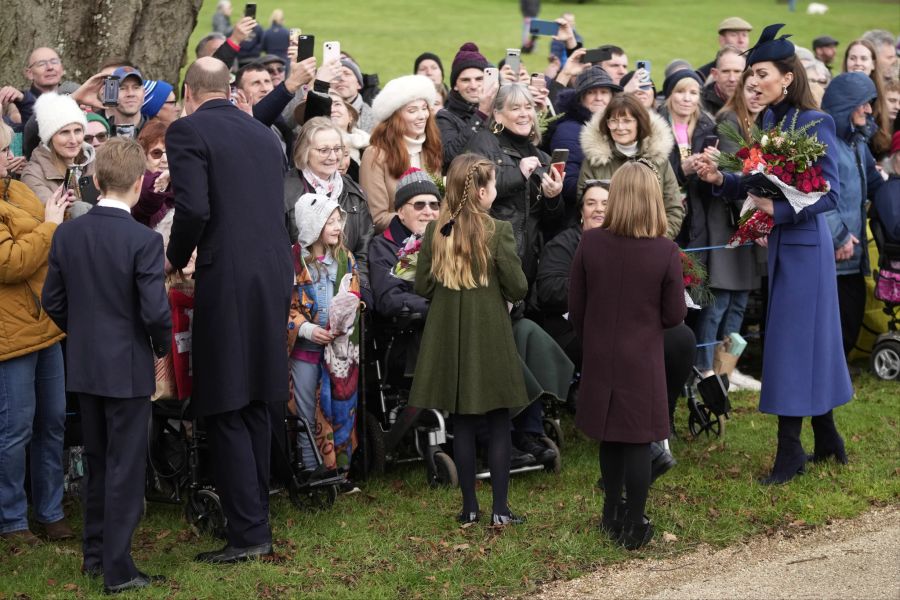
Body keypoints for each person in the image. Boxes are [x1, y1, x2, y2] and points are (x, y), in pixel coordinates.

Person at [696, 24, 852, 485]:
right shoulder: (770, 122)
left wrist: (776, 210)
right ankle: (827, 439)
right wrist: (719, 181)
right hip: (786, 247)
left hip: (805, 248)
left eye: (760, 73)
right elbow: (757, 182)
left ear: (787, 77)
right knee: (808, 343)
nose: (752, 82)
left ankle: (791, 452)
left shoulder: (814, 121)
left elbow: (830, 195)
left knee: (790, 346)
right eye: (749, 75)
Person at [165, 57, 293, 563]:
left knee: (225, 399)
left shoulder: (187, 132)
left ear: (190, 93)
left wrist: (176, 260)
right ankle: (255, 516)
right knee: (259, 396)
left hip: (229, 275)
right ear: (230, 89)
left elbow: (194, 208)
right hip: (272, 271)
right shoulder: (261, 133)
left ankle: (247, 534)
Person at [42, 138, 170, 593]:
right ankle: (118, 568)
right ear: (139, 185)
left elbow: (52, 300)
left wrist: (83, 334)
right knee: (125, 467)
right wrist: (158, 346)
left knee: (97, 462)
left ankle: (95, 555)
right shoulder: (143, 240)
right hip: (129, 366)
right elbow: (155, 311)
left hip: (85, 364)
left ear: (95, 182)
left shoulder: (68, 234)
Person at [568, 161, 686, 550]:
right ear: (654, 201)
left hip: (601, 352)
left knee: (610, 436)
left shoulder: (591, 242)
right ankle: (634, 523)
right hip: (641, 356)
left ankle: (609, 514)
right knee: (636, 441)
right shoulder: (665, 251)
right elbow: (674, 316)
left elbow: (577, 306)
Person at [410, 153, 529, 526]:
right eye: (493, 183)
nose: (495, 190)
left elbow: (423, 284)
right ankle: (500, 509)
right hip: (490, 335)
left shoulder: (436, 231)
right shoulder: (497, 231)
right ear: (481, 191)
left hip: (450, 337)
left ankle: (469, 509)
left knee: (461, 423)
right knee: (497, 423)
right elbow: (518, 286)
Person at [0, 122, 73, 546]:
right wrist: (47, 228)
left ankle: (51, 511)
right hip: (11, 334)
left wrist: (48, 230)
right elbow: (9, 262)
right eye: (2, 150)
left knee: (53, 422)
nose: (9, 156)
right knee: (14, 429)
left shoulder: (18, 192)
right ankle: (11, 520)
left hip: (46, 324)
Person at [692, 70, 765, 389]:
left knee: (738, 302)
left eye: (759, 89)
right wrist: (755, 219)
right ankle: (705, 369)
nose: (754, 95)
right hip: (728, 224)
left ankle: (727, 368)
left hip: (749, 224)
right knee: (719, 300)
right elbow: (728, 175)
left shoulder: (760, 123)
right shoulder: (728, 122)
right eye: (749, 89)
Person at [287, 193, 362, 477]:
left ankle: (339, 471)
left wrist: (347, 316)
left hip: (339, 353)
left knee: (341, 410)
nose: (337, 226)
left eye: (338, 220)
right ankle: (311, 470)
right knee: (309, 414)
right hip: (306, 352)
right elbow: (287, 307)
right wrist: (309, 329)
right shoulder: (295, 261)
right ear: (312, 223)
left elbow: (355, 293)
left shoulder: (345, 258)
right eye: (329, 221)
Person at [464, 84, 563, 283]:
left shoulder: (541, 156)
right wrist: (518, 174)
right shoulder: (483, 142)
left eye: (528, 107)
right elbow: (476, 189)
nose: (524, 114)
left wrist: (553, 198)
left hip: (529, 262)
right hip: (492, 256)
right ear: (498, 115)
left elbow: (551, 222)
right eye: (515, 108)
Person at [821, 73, 884, 358]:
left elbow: (875, 184)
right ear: (846, 105)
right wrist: (840, 236)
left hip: (853, 259)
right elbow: (818, 195)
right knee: (832, 333)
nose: (869, 110)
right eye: (863, 104)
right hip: (833, 257)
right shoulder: (826, 144)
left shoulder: (857, 143)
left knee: (848, 326)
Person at [284, 117, 374, 300]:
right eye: (324, 150)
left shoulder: (353, 192)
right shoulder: (285, 192)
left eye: (337, 149)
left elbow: (364, 249)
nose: (333, 157)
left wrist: (359, 291)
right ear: (305, 151)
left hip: (347, 293)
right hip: (299, 297)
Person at [578, 94, 684, 241]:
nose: (620, 127)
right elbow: (585, 207)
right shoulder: (595, 160)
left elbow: (673, 208)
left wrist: (659, 240)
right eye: (613, 121)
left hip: (651, 244)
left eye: (627, 121)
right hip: (607, 245)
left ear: (639, 123)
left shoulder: (658, 159)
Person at [361, 75, 442, 232]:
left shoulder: (431, 149)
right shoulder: (375, 155)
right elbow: (377, 218)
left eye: (424, 108)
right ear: (395, 118)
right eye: (412, 110)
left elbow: (439, 204)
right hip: (396, 245)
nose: (422, 116)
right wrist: (418, 219)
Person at [548, 66, 622, 227]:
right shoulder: (568, 130)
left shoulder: (616, 128)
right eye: (591, 92)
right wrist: (614, 192)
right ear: (580, 98)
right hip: (579, 222)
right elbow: (567, 182)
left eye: (604, 92)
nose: (598, 97)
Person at [369, 168, 441, 318]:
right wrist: (438, 308)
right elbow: (390, 298)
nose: (428, 211)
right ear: (401, 212)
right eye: (419, 205)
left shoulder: (448, 240)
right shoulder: (382, 246)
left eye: (434, 205)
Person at [21, 93, 96, 215]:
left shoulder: (94, 162)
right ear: (50, 137)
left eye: (77, 131)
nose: (73, 140)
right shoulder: (33, 175)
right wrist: (70, 208)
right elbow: (50, 216)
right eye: (64, 132)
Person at [436, 43, 497, 172]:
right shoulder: (445, 117)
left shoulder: (499, 109)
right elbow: (449, 156)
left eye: (479, 79)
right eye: (465, 80)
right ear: (455, 86)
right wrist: (480, 115)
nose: (473, 85)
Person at [842, 39, 892, 158]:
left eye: (863, 58)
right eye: (853, 58)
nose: (857, 63)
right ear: (846, 62)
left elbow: (883, 140)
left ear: (873, 64)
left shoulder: (881, 97)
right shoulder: (837, 94)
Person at [0, 48, 64, 132]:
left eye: (54, 62)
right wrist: (24, 101)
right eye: (41, 64)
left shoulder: (75, 94)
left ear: (62, 69)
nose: (50, 67)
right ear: (29, 73)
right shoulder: (20, 105)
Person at [132, 120, 173, 228]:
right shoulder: (137, 185)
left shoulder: (181, 182)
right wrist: (163, 183)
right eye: (156, 153)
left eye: (171, 152)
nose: (165, 159)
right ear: (144, 156)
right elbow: (149, 193)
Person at [700, 46, 746, 116]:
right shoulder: (699, 105)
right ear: (715, 74)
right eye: (726, 71)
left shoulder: (757, 102)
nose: (732, 79)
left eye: (737, 71)